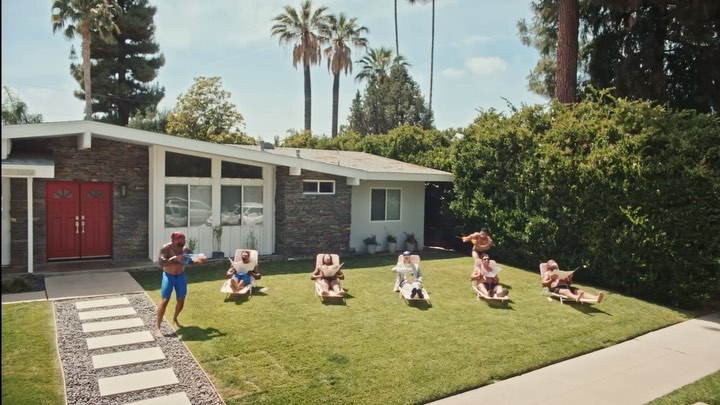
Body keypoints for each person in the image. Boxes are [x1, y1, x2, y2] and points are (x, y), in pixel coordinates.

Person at [155, 231, 192, 336]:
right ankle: (157, 327)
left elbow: (192, 262)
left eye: (184, 239)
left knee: (181, 300)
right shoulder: (166, 248)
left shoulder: (185, 250)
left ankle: (175, 318)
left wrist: (198, 260)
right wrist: (174, 258)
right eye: (181, 240)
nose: (183, 241)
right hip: (168, 276)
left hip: (180, 276)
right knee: (165, 301)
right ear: (174, 240)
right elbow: (161, 262)